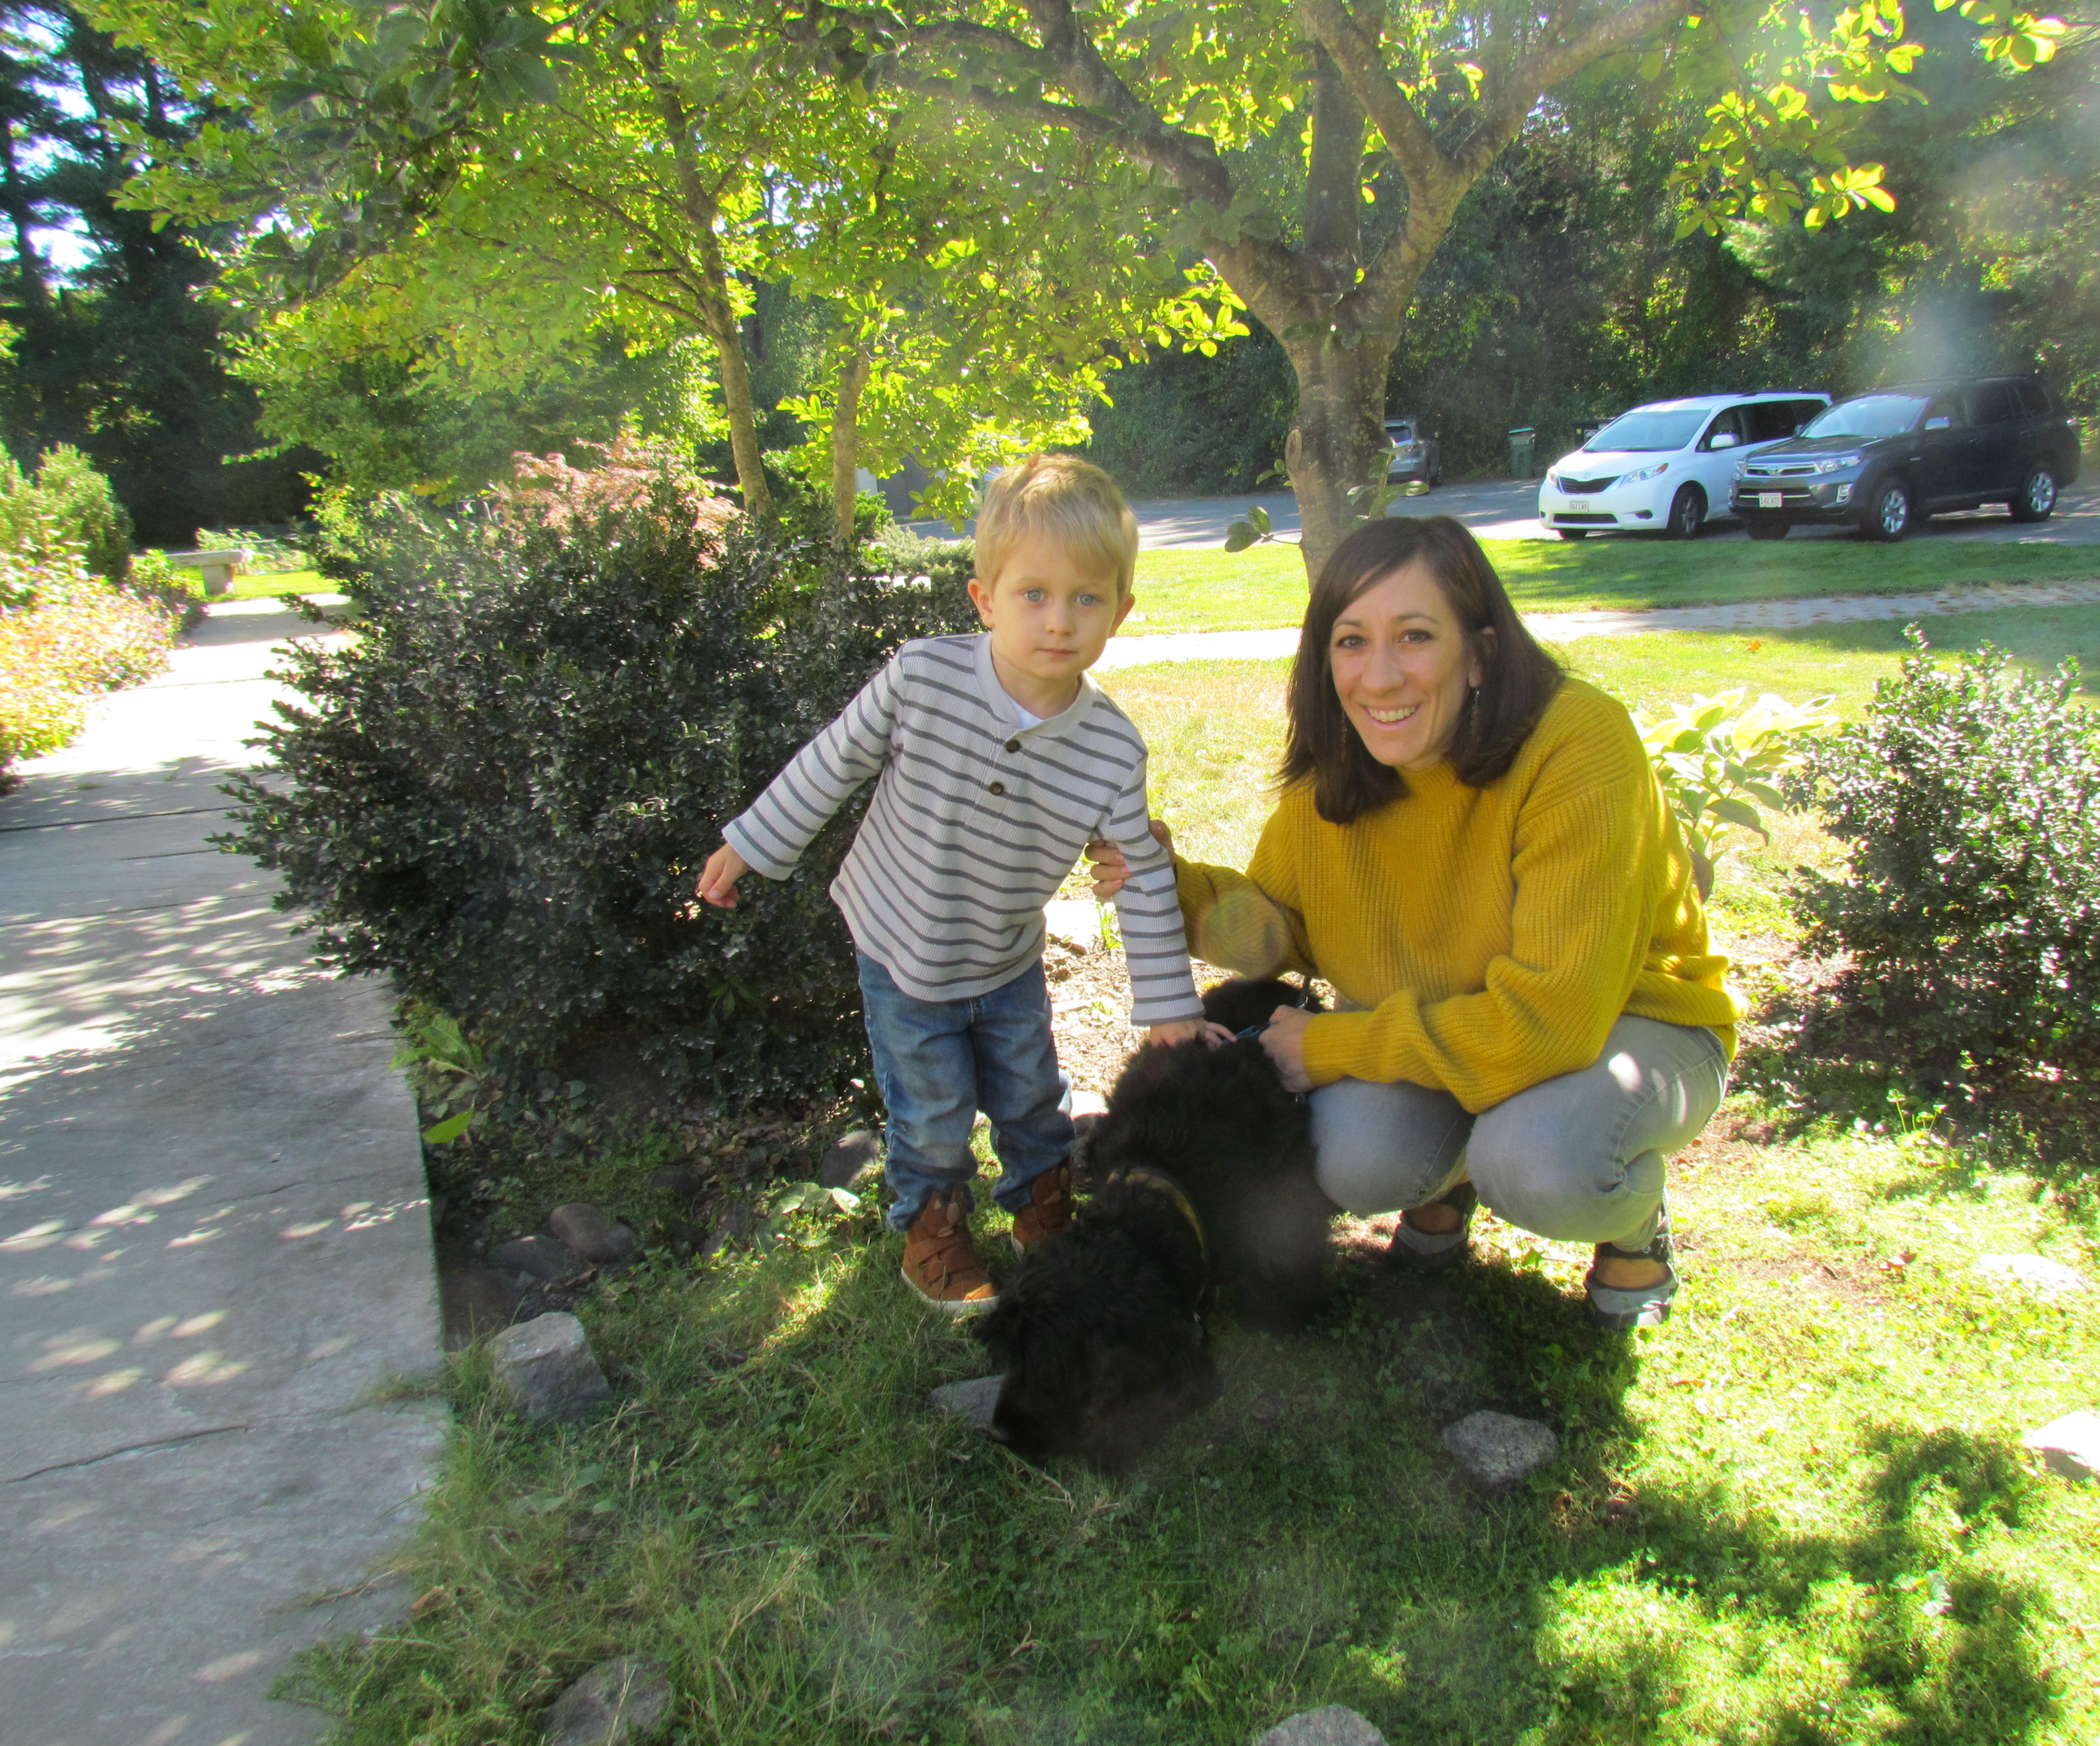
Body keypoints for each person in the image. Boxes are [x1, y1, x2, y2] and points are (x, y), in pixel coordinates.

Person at [1089, 515, 1737, 1328]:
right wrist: (1166, 882)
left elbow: (1551, 1023)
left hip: (1624, 1023)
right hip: (1449, 1019)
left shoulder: (1577, 746)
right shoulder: (1341, 765)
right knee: (1355, 1163)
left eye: (1416, 636)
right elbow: (1279, 928)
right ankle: (1452, 1180)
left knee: (1538, 1163)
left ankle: (1632, 1223)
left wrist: (1333, 1047)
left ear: (1483, 652)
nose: (1381, 677)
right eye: (1351, 642)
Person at [697, 455, 1218, 1312]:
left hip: (1006, 957)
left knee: (1032, 1094)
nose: (1060, 620)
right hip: (900, 947)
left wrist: (1170, 1008)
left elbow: (1140, 875)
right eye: (1034, 594)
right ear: (985, 599)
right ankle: (932, 1231)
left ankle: (1041, 1208)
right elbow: (832, 762)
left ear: (1121, 612)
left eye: (1087, 599)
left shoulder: (1112, 749)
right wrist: (747, 845)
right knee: (932, 1105)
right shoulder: (922, 678)